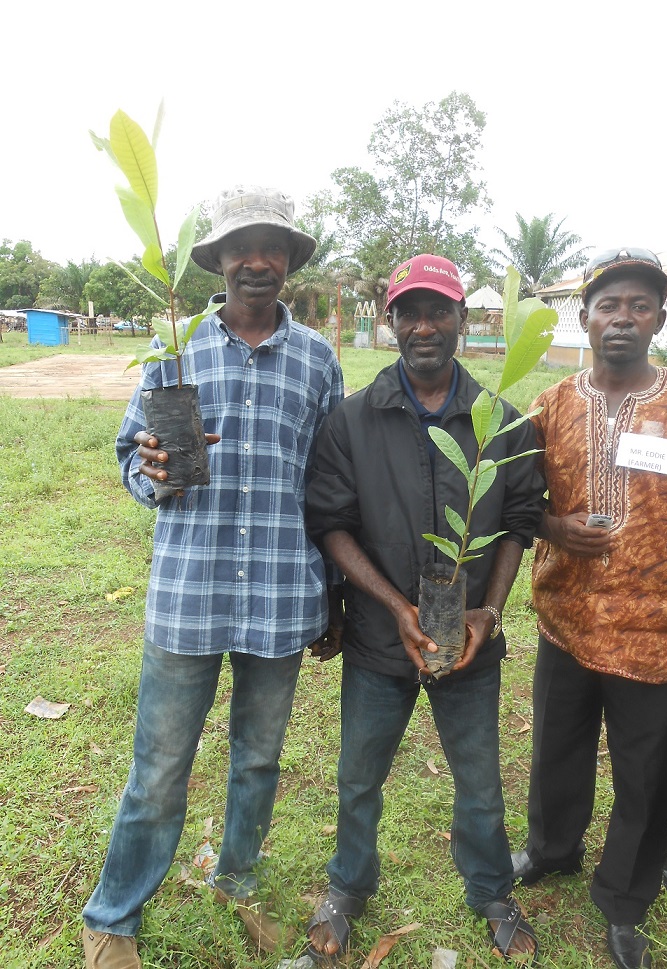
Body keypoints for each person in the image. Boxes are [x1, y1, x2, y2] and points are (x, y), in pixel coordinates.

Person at [81, 185, 345, 969]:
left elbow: (330, 483)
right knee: (160, 768)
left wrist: (334, 595)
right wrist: (154, 471)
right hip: (188, 595)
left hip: (281, 595)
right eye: (241, 246)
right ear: (219, 260)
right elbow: (131, 454)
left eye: (273, 247)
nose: (257, 260)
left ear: (289, 261)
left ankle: (235, 877)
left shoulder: (318, 360)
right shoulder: (175, 344)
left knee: (259, 759)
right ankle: (112, 917)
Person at [304, 254, 545, 964]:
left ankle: (492, 891)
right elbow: (332, 523)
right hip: (381, 640)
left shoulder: (501, 423)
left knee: (480, 782)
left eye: (439, 310)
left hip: (468, 643)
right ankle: (348, 886)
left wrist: (488, 612)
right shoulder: (354, 419)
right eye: (409, 312)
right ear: (391, 322)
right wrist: (394, 605)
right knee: (358, 778)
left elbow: (519, 523)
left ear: (462, 319)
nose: (424, 326)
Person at [513, 248, 667, 969]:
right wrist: (554, 527)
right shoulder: (550, 406)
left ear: (659, 319)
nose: (623, 318)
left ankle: (625, 898)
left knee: (645, 770)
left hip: (652, 629)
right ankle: (552, 848)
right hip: (565, 619)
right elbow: (519, 501)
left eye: (639, 305)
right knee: (556, 749)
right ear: (586, 318)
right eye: (609, 305)